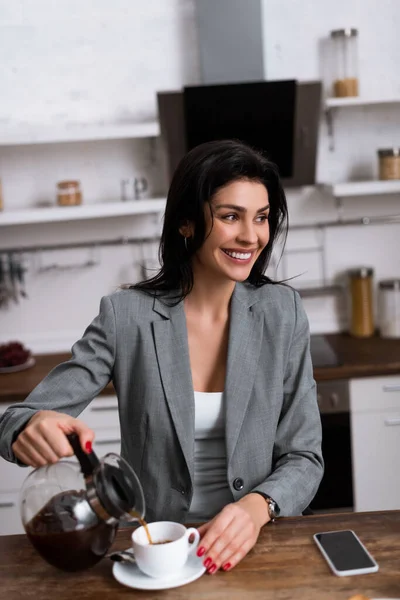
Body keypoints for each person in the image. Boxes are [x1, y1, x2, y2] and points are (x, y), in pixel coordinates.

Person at [0, 139, 323, 575]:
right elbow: (18, 418)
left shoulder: (283, 312)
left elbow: (305, 456)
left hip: (259, 544)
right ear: (187, 223)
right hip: (158, 553)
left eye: (262, 218)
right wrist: (30, 426)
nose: (251, 236)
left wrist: (255, 508)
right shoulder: (126, 316)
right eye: (231, 216)